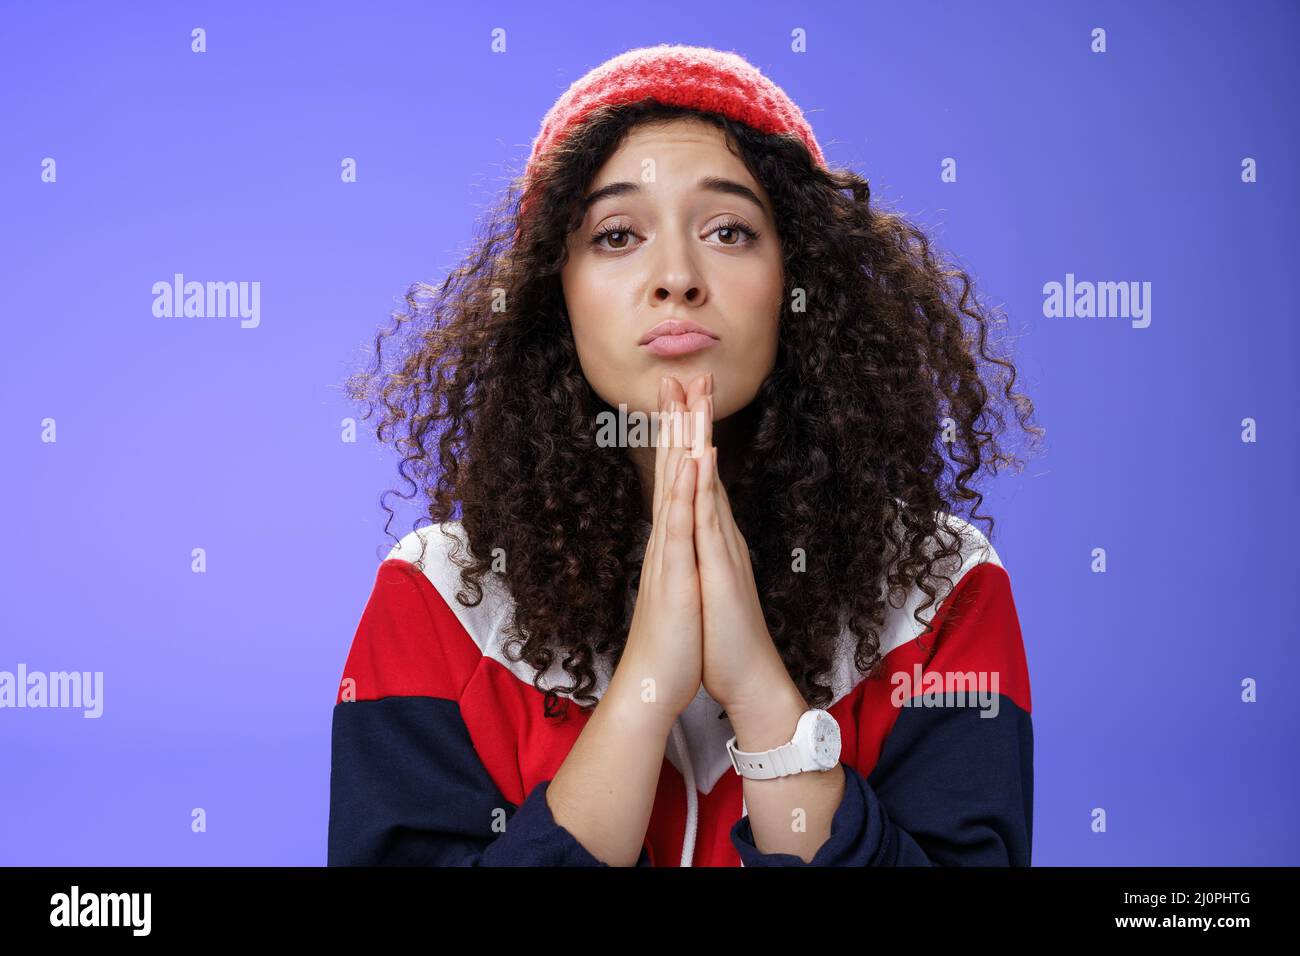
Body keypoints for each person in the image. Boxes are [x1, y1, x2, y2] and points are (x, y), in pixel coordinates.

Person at [329, 43, 1042, 867]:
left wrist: (759, 691)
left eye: (729, 230)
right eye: (618, 234)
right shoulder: (436, 597)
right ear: (554, 296)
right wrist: (645, 689)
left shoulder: (944, 588)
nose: (676, 277)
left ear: (799, 280)